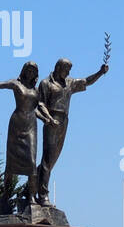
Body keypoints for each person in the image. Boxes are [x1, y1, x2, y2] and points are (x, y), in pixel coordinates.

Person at [0, 62, 56, 212]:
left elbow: (36, 109)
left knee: (31, 162)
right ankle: (6, 196)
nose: (30, 72)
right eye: (28, 70)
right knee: (11, 165)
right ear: (24, 70)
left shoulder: (35, 90)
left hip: (31, 126)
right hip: (16, 125)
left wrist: (46, 119)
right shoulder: (16, 84)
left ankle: (31, 197)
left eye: (33, 71)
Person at [34, 58, 108, 204]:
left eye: (69, 70)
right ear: (58, 67)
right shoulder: (45, 83)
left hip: (64, 121)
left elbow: (87, 81)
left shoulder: (69, 83)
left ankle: (28, 188)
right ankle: (43, 195)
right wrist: (48, 119)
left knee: (53, 160)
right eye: (66, 69)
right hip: (51, 120)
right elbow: (40, 104)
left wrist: (100, 72)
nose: (68, 73)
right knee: (48, 159)